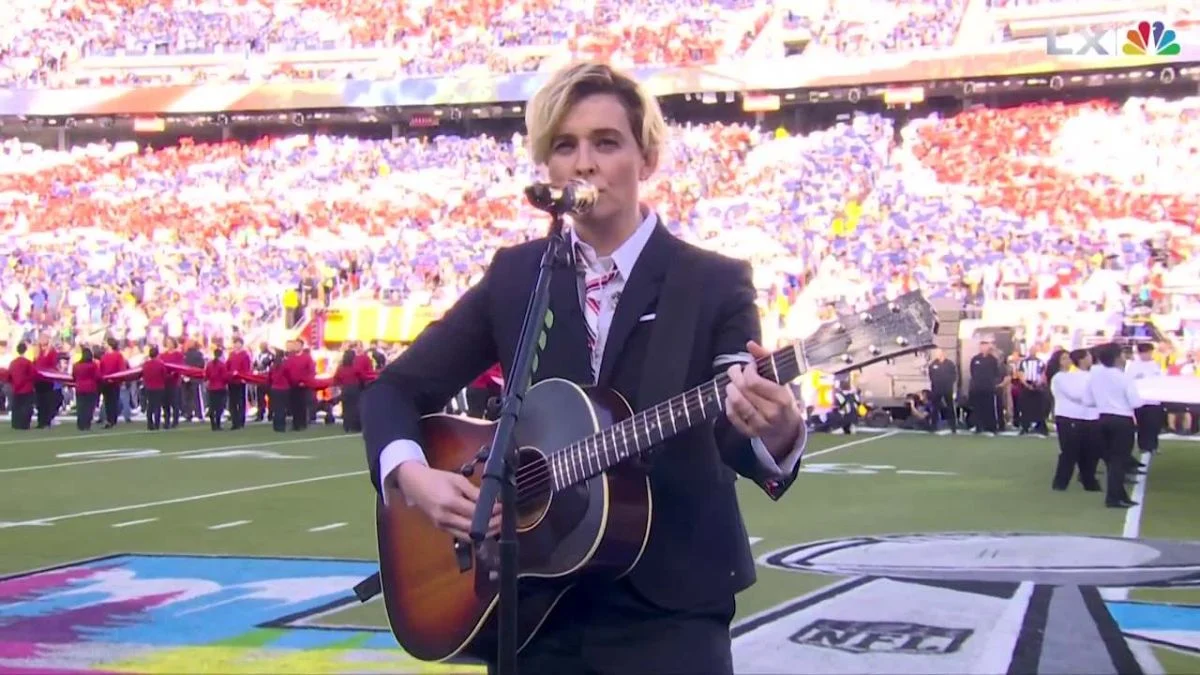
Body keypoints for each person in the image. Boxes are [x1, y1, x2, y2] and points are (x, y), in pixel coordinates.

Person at [360, 61, 807, 675]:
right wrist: (411, 477)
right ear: (547, 168)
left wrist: (775, 429)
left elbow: (739, 422)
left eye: (606, 142)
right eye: (565, 146)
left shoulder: (712, 282)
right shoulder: (518, 276)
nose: (584, 163)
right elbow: (394, 390)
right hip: (534, 610)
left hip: (671, 614)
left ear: (646, 159)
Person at [1086, 342, 1142, 508]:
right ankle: (1113, 498)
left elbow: (1088, 400)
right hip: (1122, 420)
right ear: (1117, 357)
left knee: (1112, 460)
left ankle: (1119, 494)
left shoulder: (1095, 376)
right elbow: (1135, 402)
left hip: (1102, 418)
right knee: (1119, 460)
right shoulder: (1123, 377)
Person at [1047, 349, 1101, 492]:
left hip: (1086, 418)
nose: (1067, 361)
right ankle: (1060, 483)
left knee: (1089, 452)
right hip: (1068, 417)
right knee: (1069, 452)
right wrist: (1095, 398)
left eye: (1068, 358)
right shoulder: (1059, 377)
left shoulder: (1084, 375)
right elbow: (1077, 395)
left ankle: (1089, 481)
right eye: (1063, 358)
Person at [1125, 342, 1164, 454]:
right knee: (1143, 424)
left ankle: (1153, 445)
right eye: (1145, 352)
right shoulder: (1133, 366)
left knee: (1154, 424)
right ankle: (1143, 445)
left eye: (1149, 352)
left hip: (1154, 399)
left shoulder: (1155, 365)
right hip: (1140, 400)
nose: (1147, 355)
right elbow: (1130, 381)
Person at [968, 338, 1001, 435]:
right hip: (977, 388)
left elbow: (996, 373)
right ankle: (979, 426)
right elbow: (972, 372)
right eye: (981, 346)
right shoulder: (975, 359)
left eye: (985, 346)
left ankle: (991, 427)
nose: (983, 348)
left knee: (989, 407)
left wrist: (991, 382)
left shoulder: (992, 360)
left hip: (988, 388)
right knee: (978, 408)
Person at [927, 348, 957, 433]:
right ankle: (933, 426)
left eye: (938, 353)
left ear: (943, 353)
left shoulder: (950, 364)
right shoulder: (933, 364)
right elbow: (931, 376)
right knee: (935, 408)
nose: (937, 355)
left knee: (950, 407)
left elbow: (954, 375)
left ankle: (953, 426)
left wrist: (949, 384)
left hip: (947, 389)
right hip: (936, 390)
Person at [71, 347, 101, 431]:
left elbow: (73, 376)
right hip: (91, 388)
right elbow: (97, 376)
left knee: (80, 407)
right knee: (89, 407)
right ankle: (87, 424)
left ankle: (80, 424)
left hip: (79, 387)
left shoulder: (76, 365)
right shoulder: (93, 365)